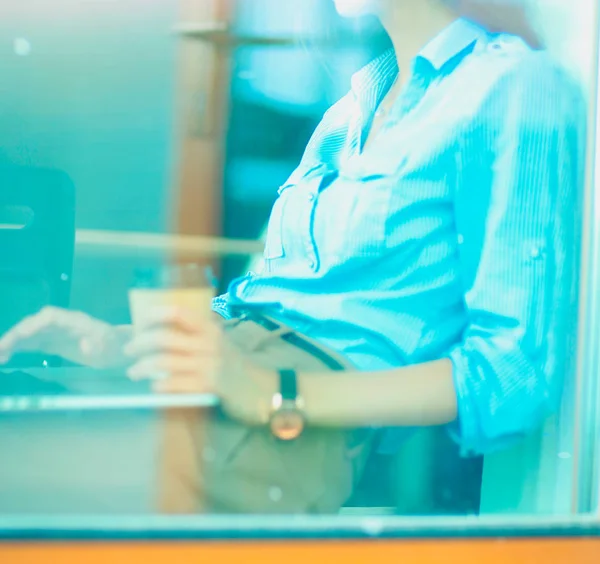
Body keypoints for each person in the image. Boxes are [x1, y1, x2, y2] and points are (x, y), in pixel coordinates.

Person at [0, 0, 586, 513]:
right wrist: (119, 345)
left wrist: (275, 393)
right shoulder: (349, 110)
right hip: (220, 385)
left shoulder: (511, 84)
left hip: (286, 427)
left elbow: (514, 374)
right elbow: (265, 301)